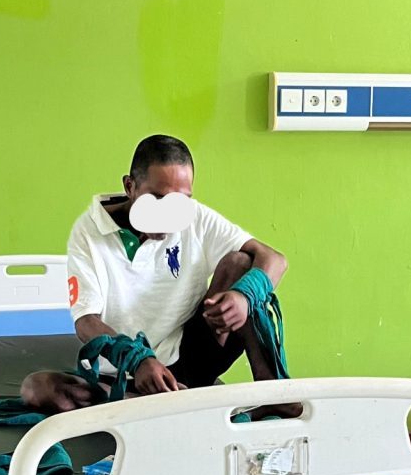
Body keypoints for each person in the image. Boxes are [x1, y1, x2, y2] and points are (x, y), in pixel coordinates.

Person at [22, 134, 295, 416]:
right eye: (158, 199)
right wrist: (138, 360)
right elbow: (86, 322)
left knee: (243, 264)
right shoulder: (88, 232)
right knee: (38, 388)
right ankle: (155, 402)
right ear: (130, 186)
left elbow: (275, 259)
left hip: (190, 359)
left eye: (181, 200)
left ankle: (272, 391)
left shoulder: (196, 218)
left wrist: (243, 297)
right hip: (122, 371)